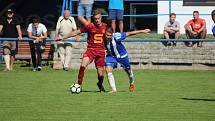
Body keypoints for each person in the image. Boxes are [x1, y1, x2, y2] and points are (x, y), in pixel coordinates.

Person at [55, 10, 107, 92]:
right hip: (91, 50)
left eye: (98, 18)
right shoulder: (90, 26)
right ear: (93, 18)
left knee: (101, 75)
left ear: (101, 18)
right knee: (82, 66)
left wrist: (108, 49)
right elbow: (76, 32)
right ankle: (79, 85)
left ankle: (100, 84)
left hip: (101, 52)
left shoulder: (105, 26)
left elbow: (108, 38)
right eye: (95, 18)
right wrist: (62, 37)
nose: (97, 20)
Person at [104, 27, 150, 93]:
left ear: (112, 34)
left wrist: (143, 31)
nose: (108, 37)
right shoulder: (102, 38)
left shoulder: (117, 36)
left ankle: (132, 82)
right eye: (107, 35)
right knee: (108, 69)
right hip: (111, 56)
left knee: (128, 71)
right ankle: (113, 89)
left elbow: (129, 33)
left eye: (110, 35)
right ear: (105, 33)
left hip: (122, 56)